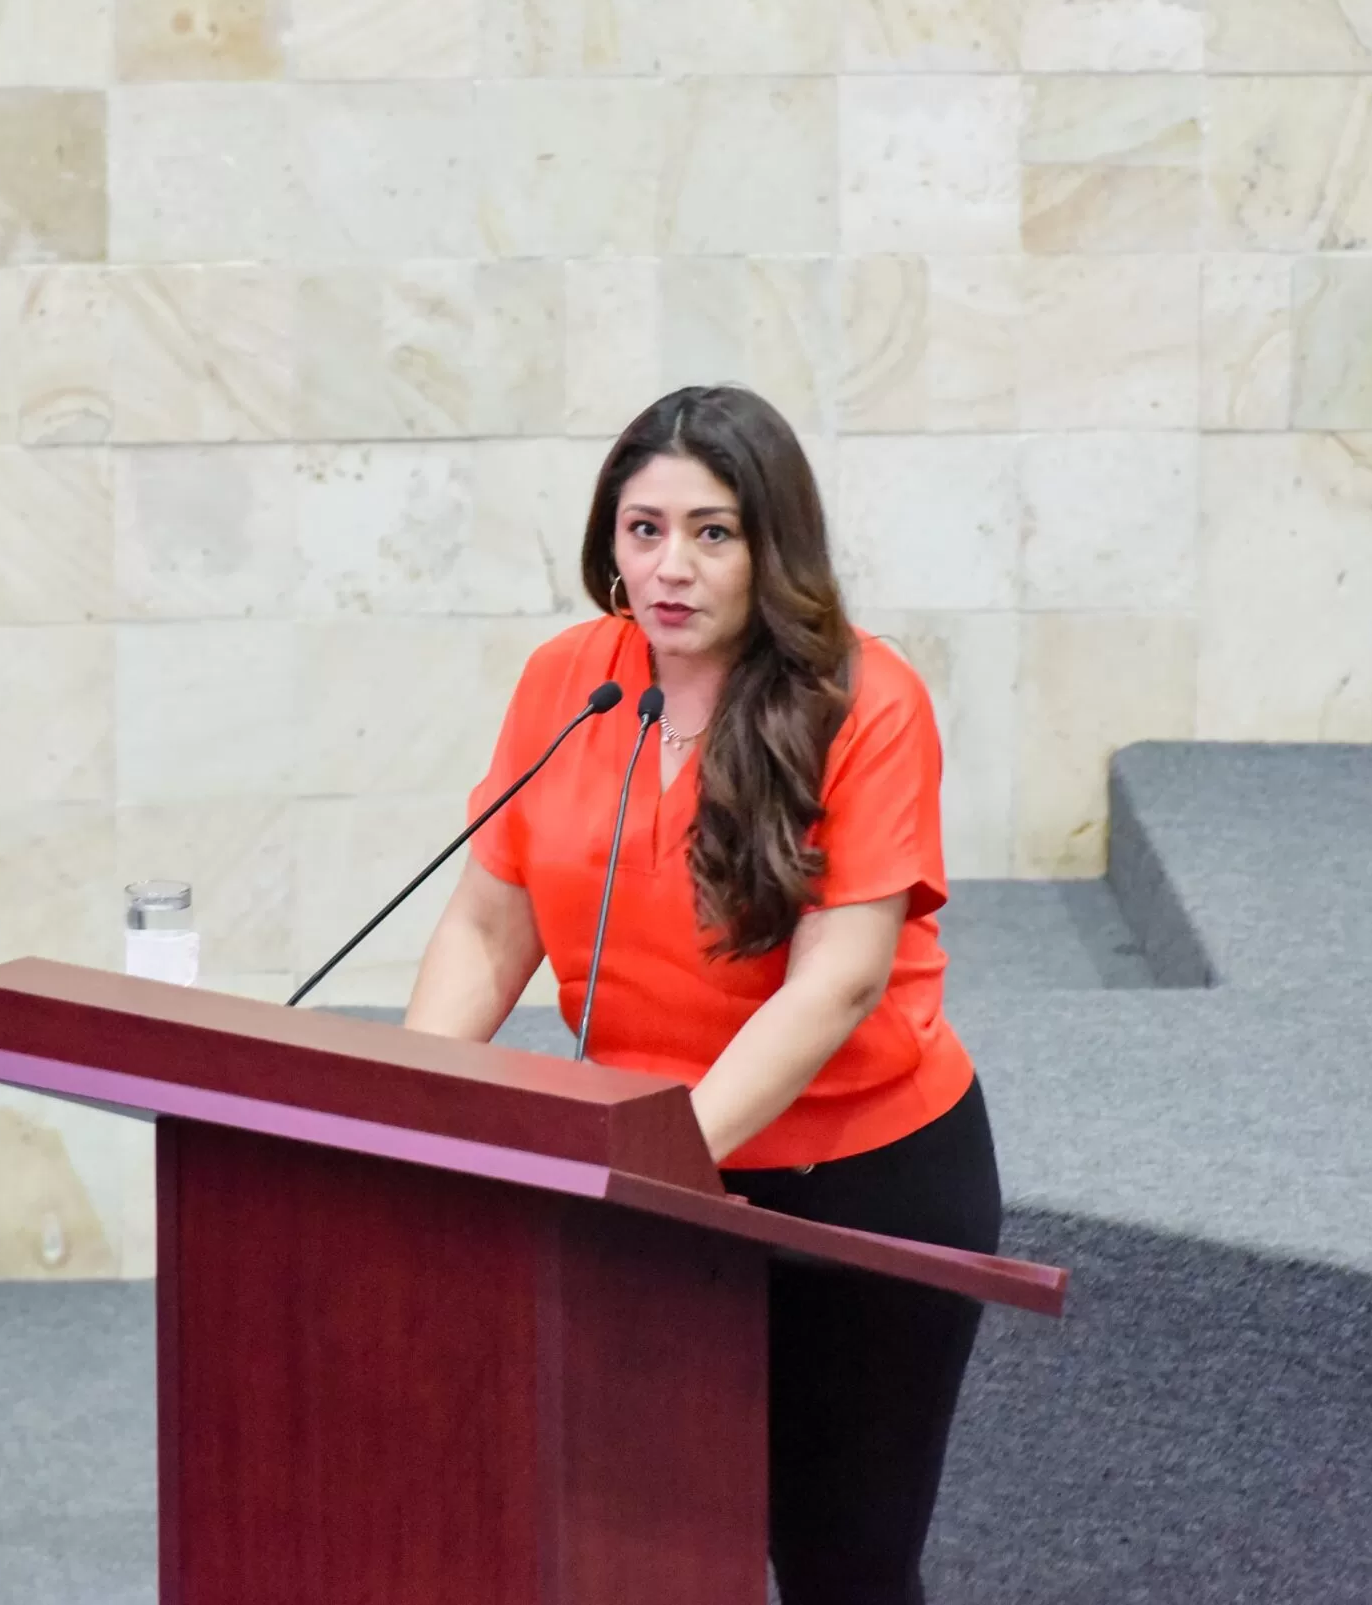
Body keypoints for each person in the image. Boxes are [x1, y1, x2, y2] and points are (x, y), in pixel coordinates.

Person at [403, 384, 1003, 1604]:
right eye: (644, 529)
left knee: (840, 1562)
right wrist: (412, 1109)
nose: (669, 566)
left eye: (711, 531)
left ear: (773, 545)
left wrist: (659, 1161)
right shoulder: (573, 680)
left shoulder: (867, 700)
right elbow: (489, 919)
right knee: (644, 1543)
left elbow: (837, 981)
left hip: (857, 1181)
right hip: (649, 1178)